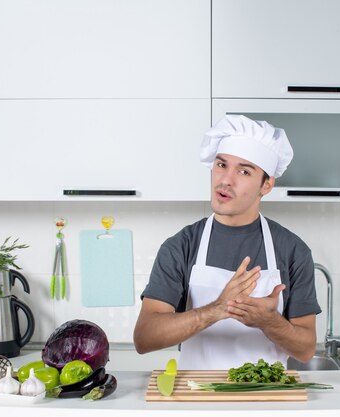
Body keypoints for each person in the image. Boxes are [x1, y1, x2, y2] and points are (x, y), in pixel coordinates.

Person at [133, 114, 321, 370]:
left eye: (244, 171)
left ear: (266, 185)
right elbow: (145, 338)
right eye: (221, 165)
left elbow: (306, 349)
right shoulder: (181, 246)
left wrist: (269, 321)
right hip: (198, 398)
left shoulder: (293, 251)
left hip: (265, 401)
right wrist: (217, 309)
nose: (225, 180)